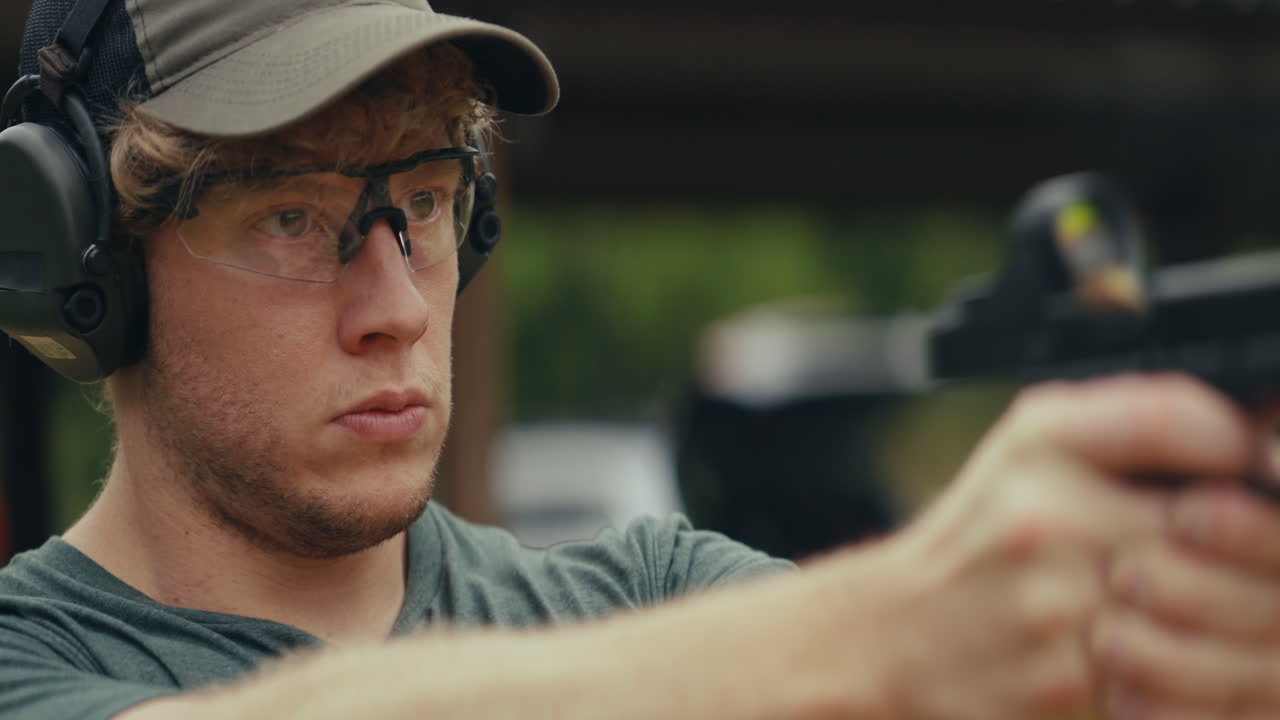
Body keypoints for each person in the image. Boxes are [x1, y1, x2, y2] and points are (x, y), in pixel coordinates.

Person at [3, 1, 1280, 718]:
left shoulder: (656, 598)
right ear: (92, 264)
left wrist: (1168, 607)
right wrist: (913, 619)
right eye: (290, 217)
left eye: (427, 202)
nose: (394, 305)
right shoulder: (30, 667)